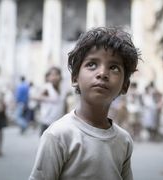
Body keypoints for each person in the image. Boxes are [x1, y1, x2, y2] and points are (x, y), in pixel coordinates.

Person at [28, 27, 140, 180]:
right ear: (75, 78)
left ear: (125, 86)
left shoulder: (124, 140)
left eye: (114, 67)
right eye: (92, 64)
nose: (102, 73)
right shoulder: (58, 135)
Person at [34, 67, 66, 136]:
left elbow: (64, 105)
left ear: (60, 76)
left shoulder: (62, 88)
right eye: (52, 75)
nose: (54, 77)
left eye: (57, 74)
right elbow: (36, 97)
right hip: (47, 122)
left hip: (59, 122)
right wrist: (48, 99)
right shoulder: (47, 87)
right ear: (48, 77)